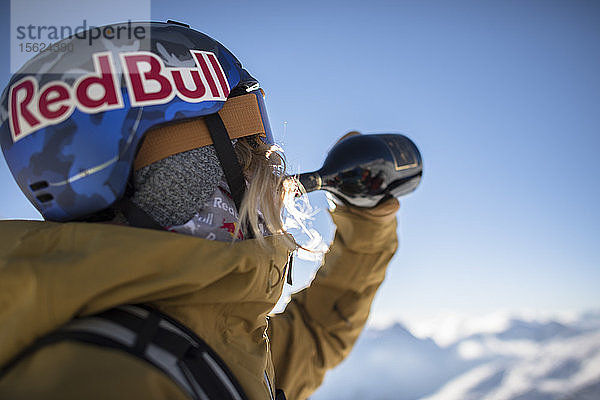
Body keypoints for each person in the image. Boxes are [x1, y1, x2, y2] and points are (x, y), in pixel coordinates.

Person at [0, 21, 399, 400]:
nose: (271, 165)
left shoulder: (208, 343)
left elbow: (317, 331)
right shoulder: (122, 382)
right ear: (186, 171)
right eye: (252, 143)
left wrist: (368, 221)